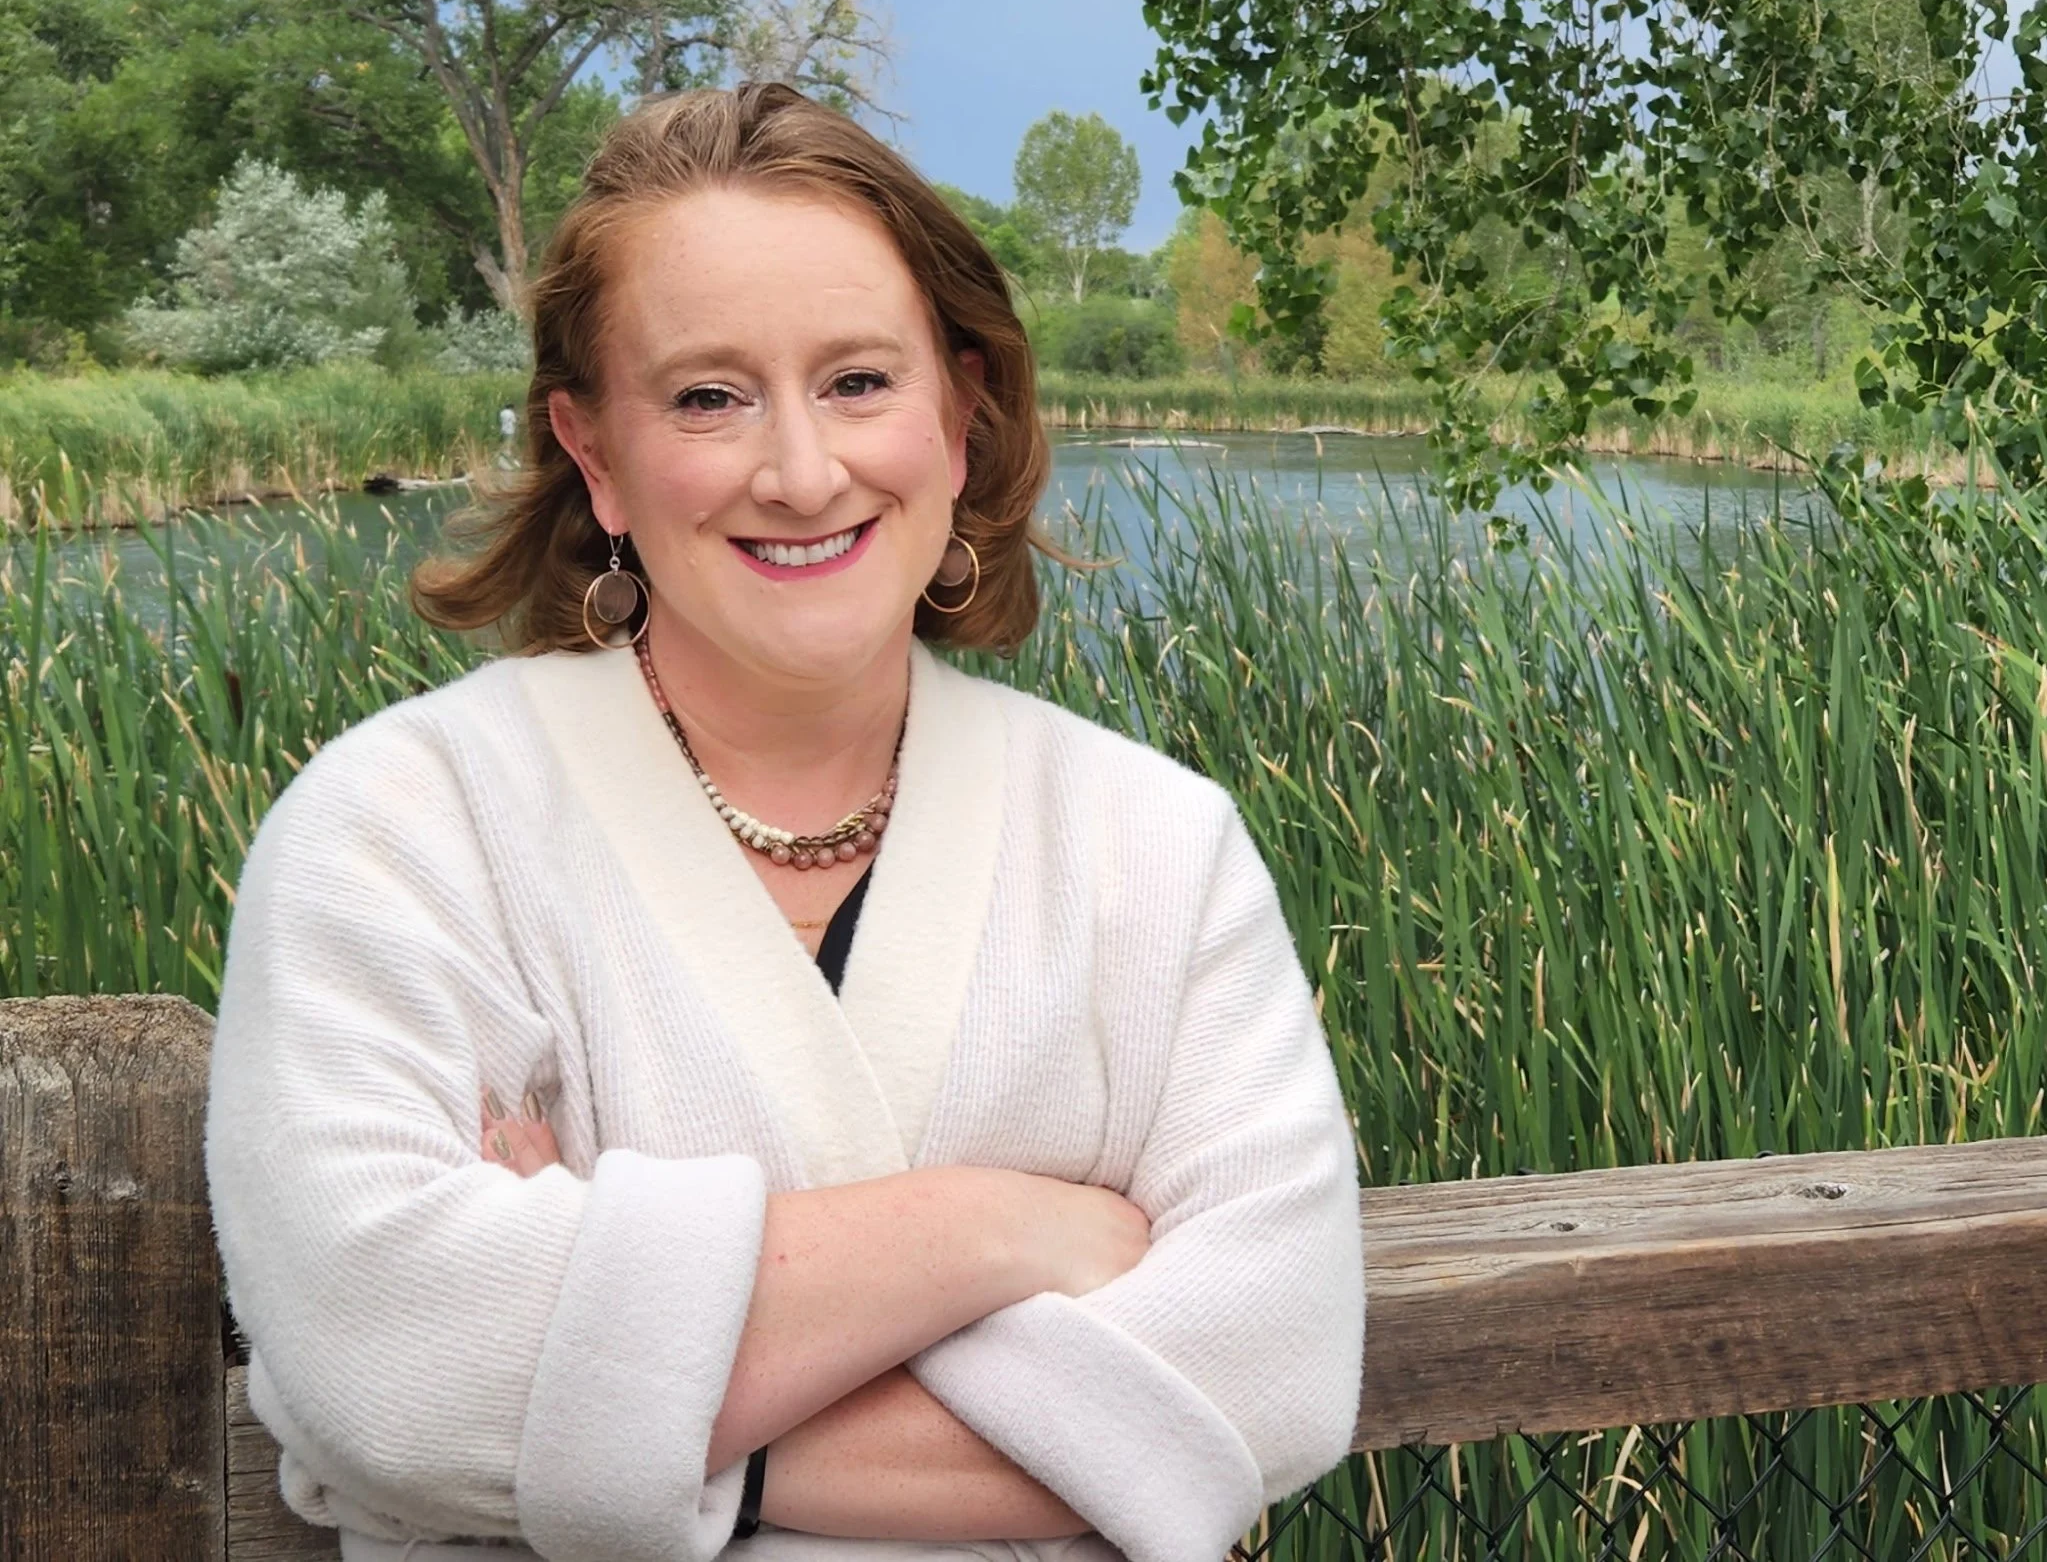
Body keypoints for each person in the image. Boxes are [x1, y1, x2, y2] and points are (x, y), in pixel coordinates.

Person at [203, 83, 1365, 1562]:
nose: (802, 470)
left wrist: (631, 1383)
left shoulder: (1154, 843)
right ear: (596, 453)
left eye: (859, 381)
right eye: (706, 396)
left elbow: (1269, 1375)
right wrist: (993, 1231)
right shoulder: (407, 827)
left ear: (963, 410)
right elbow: (396, 1367)